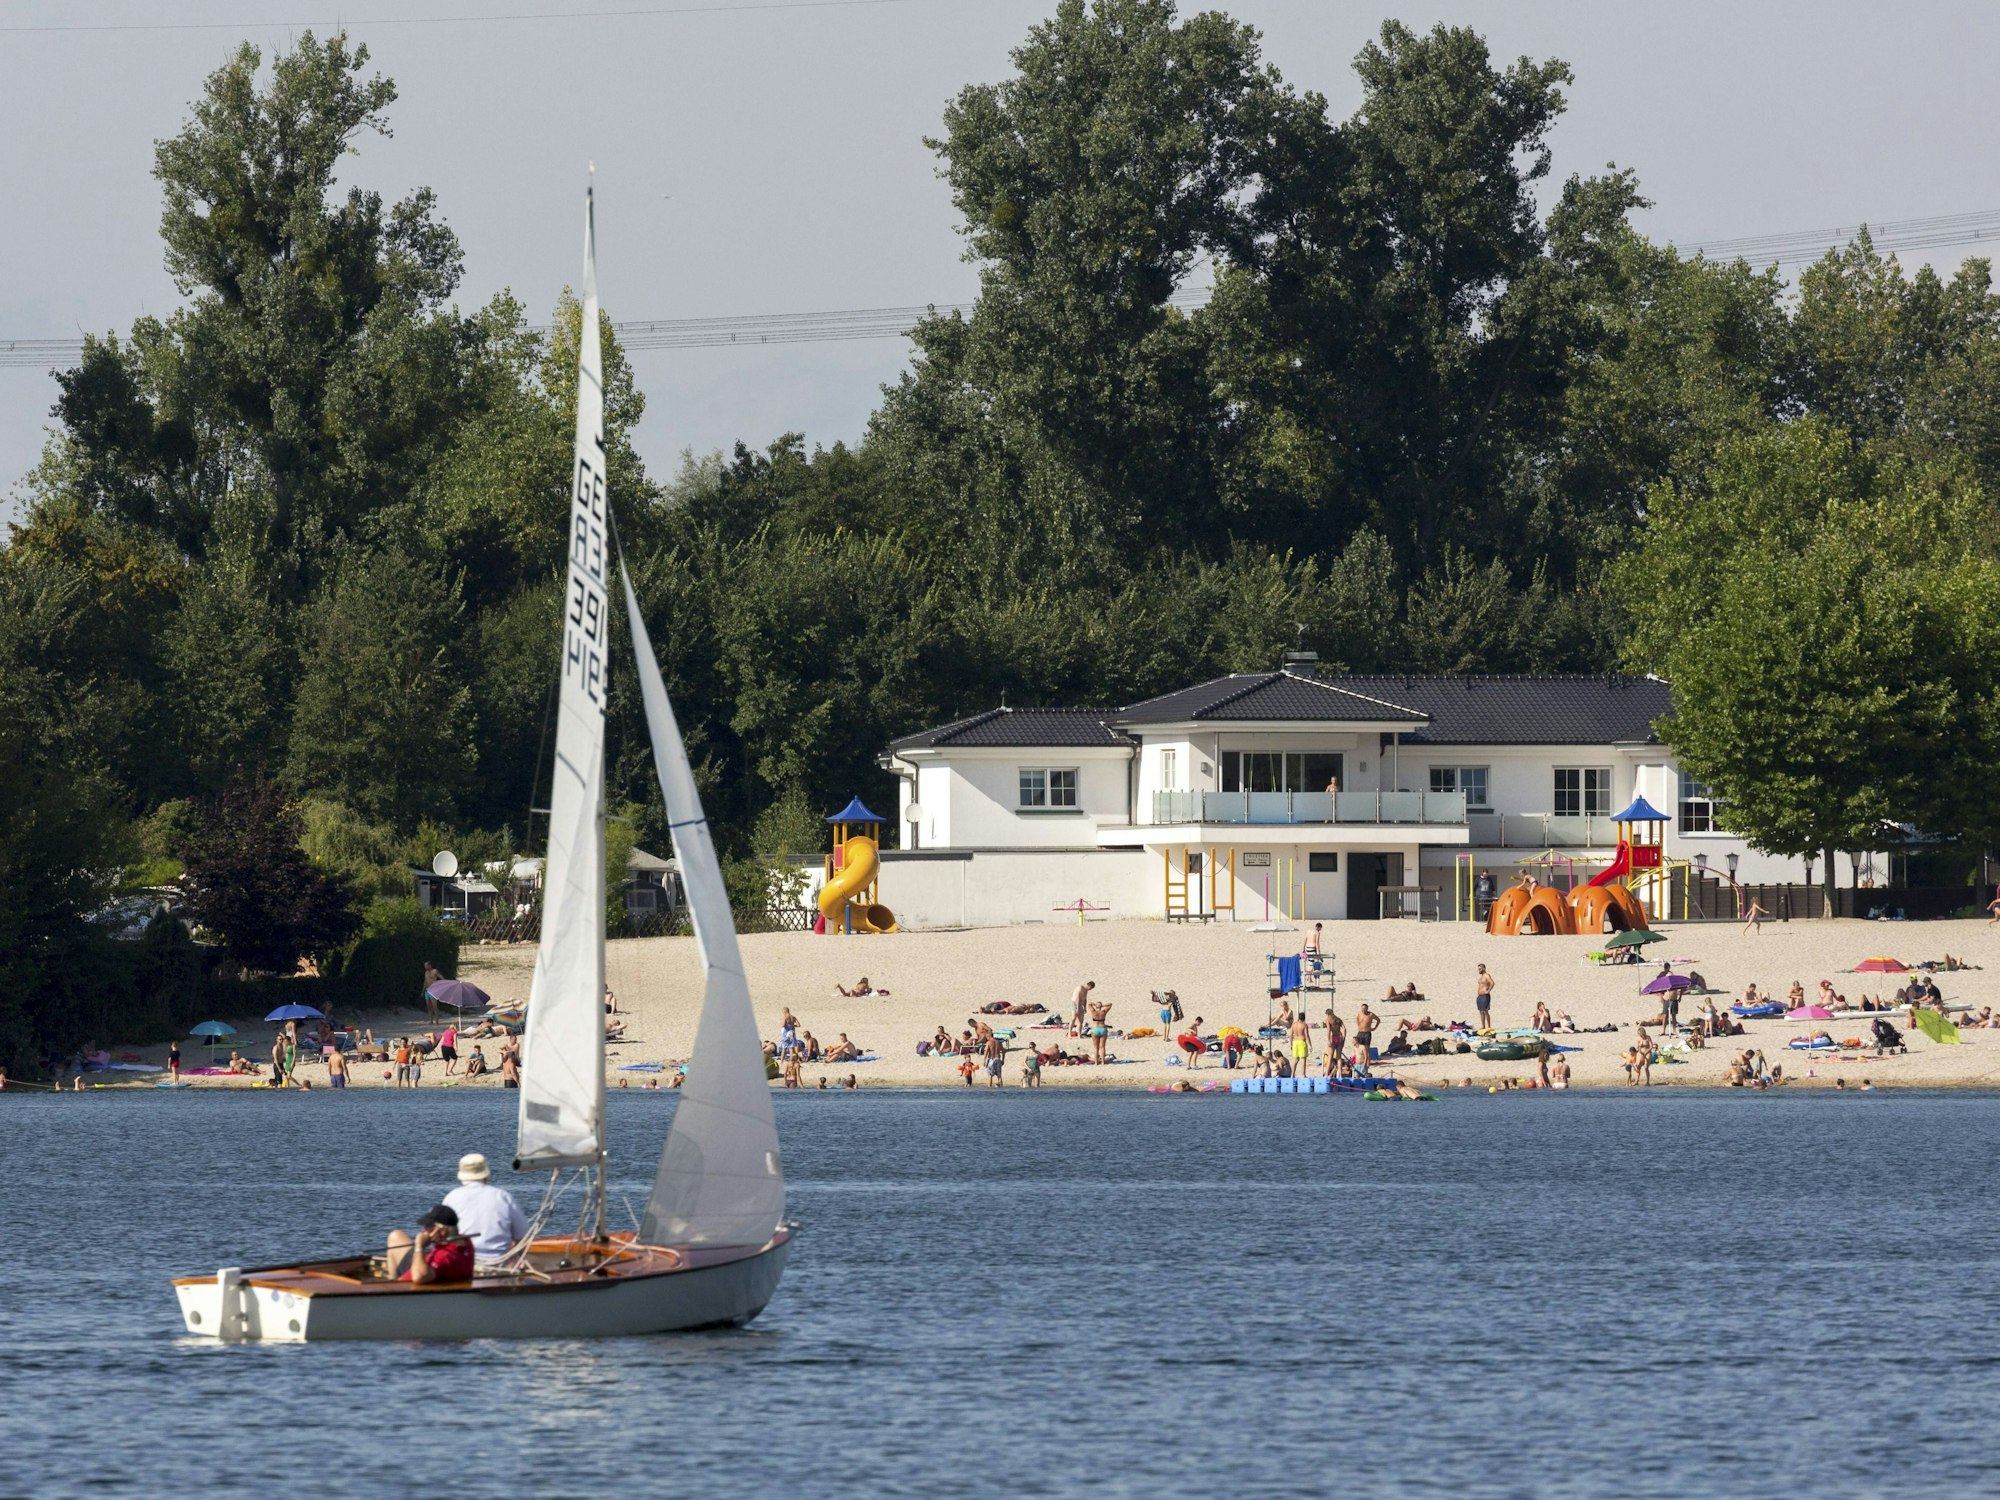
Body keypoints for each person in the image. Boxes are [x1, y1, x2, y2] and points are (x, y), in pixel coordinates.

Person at [442, 1153, 530, 1266]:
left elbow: (442, 1234)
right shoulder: (502, 1196)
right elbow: (523, 1236)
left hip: (463, 1264)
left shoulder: (451, 1197)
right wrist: (516, 1256)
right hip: (499, 1263)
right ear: (486, 1176)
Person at [386, 1205, 474, 1284]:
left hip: (415, 1279)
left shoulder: (444, 1256)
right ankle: (392, 1279)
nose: (424, 1230)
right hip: (428, 1267)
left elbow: (419, 1277)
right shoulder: (465, 1240)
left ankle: (393, 1283)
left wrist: (419, 1246)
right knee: (395, 1236)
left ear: (442, 1230)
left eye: (428, 1225)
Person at [1087, 996, 1113, 1064]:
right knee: (1102, 1047)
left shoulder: (1093, 1011)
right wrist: (1102, 1005)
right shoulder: (1103, 1011)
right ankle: (1103, 1062)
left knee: (1096, 1048)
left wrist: (1095, 1004)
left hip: (1095, 1029)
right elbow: (1110, 1004)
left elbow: (1089, 1004)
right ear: (1101, 1006)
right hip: (1103, 1028)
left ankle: (1096, 1062)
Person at [1288, 1010, 1311, 1075]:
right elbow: (1306, 1035)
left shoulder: (1293, 1024)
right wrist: (1310, 1045)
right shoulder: (1304, 1025)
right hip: (1301, 1042)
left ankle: (1292, 1074)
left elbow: (1291, 1035)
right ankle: (1303, 1074)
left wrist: (1291, 1044)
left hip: (1295, 1042)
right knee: (1303, 1059)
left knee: (1295, 1060)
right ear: (1304, 1018)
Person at [422, 961, 443, 1026]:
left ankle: (437, 1021)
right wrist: (422, 991)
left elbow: (441, 978)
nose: (425, 967)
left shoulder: (435, 971)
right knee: (429, 1007)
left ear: (430, 965)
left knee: (435, 1006)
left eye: (426, 966)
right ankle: (431, 1020)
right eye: (424, 966)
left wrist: (440, 986)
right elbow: (425, 982)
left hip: (434, 990)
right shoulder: (426, 972)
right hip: (427, 991)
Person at [1475, 964, 1494, 1032]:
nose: (1479, 970)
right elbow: (1480, 986)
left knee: (1485, 1011)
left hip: (1485, 996)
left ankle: (1489, 1026)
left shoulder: (1486, 975)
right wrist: (1478, 995)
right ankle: (1483, 1026)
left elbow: (1492, 983)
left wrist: (1488, 991)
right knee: (1481, 1011)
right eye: (1478, 969)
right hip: (1480, 996)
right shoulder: (1481, 977)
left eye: (1480, 969)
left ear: (1484, 968)